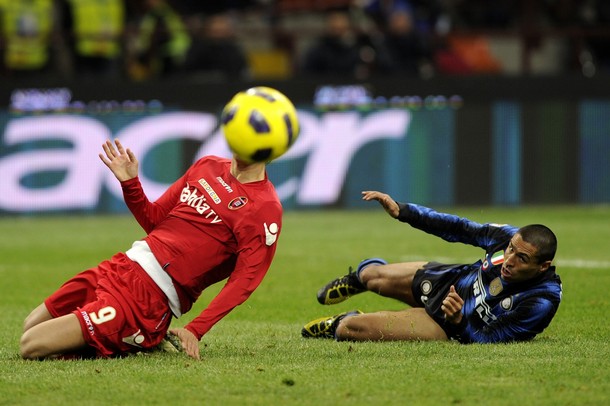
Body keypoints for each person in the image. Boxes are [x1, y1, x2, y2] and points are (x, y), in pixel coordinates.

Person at [20, 126, 284, 360]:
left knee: (31, 345)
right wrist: (130, 182)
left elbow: (245, 280)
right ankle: (131, 340)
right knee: (30, 325)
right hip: (122, 266)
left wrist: (196, 329)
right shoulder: (208, 166)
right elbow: (156, 220)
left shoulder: (264, 208)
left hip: (147, 299)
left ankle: (138, 333)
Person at [302, 190, 562, 344]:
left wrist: (459, 321)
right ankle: (358, 280)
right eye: (511, 250)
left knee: (351, 329)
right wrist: (404, 211)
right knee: (371, 276)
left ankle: (341, 320)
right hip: (447, 280)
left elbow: (490, 340)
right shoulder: (507, 236)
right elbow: (457, 227)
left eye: (522, 259)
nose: (509, 260)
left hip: (445, 323)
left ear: (543, 266)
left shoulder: (541, 300)